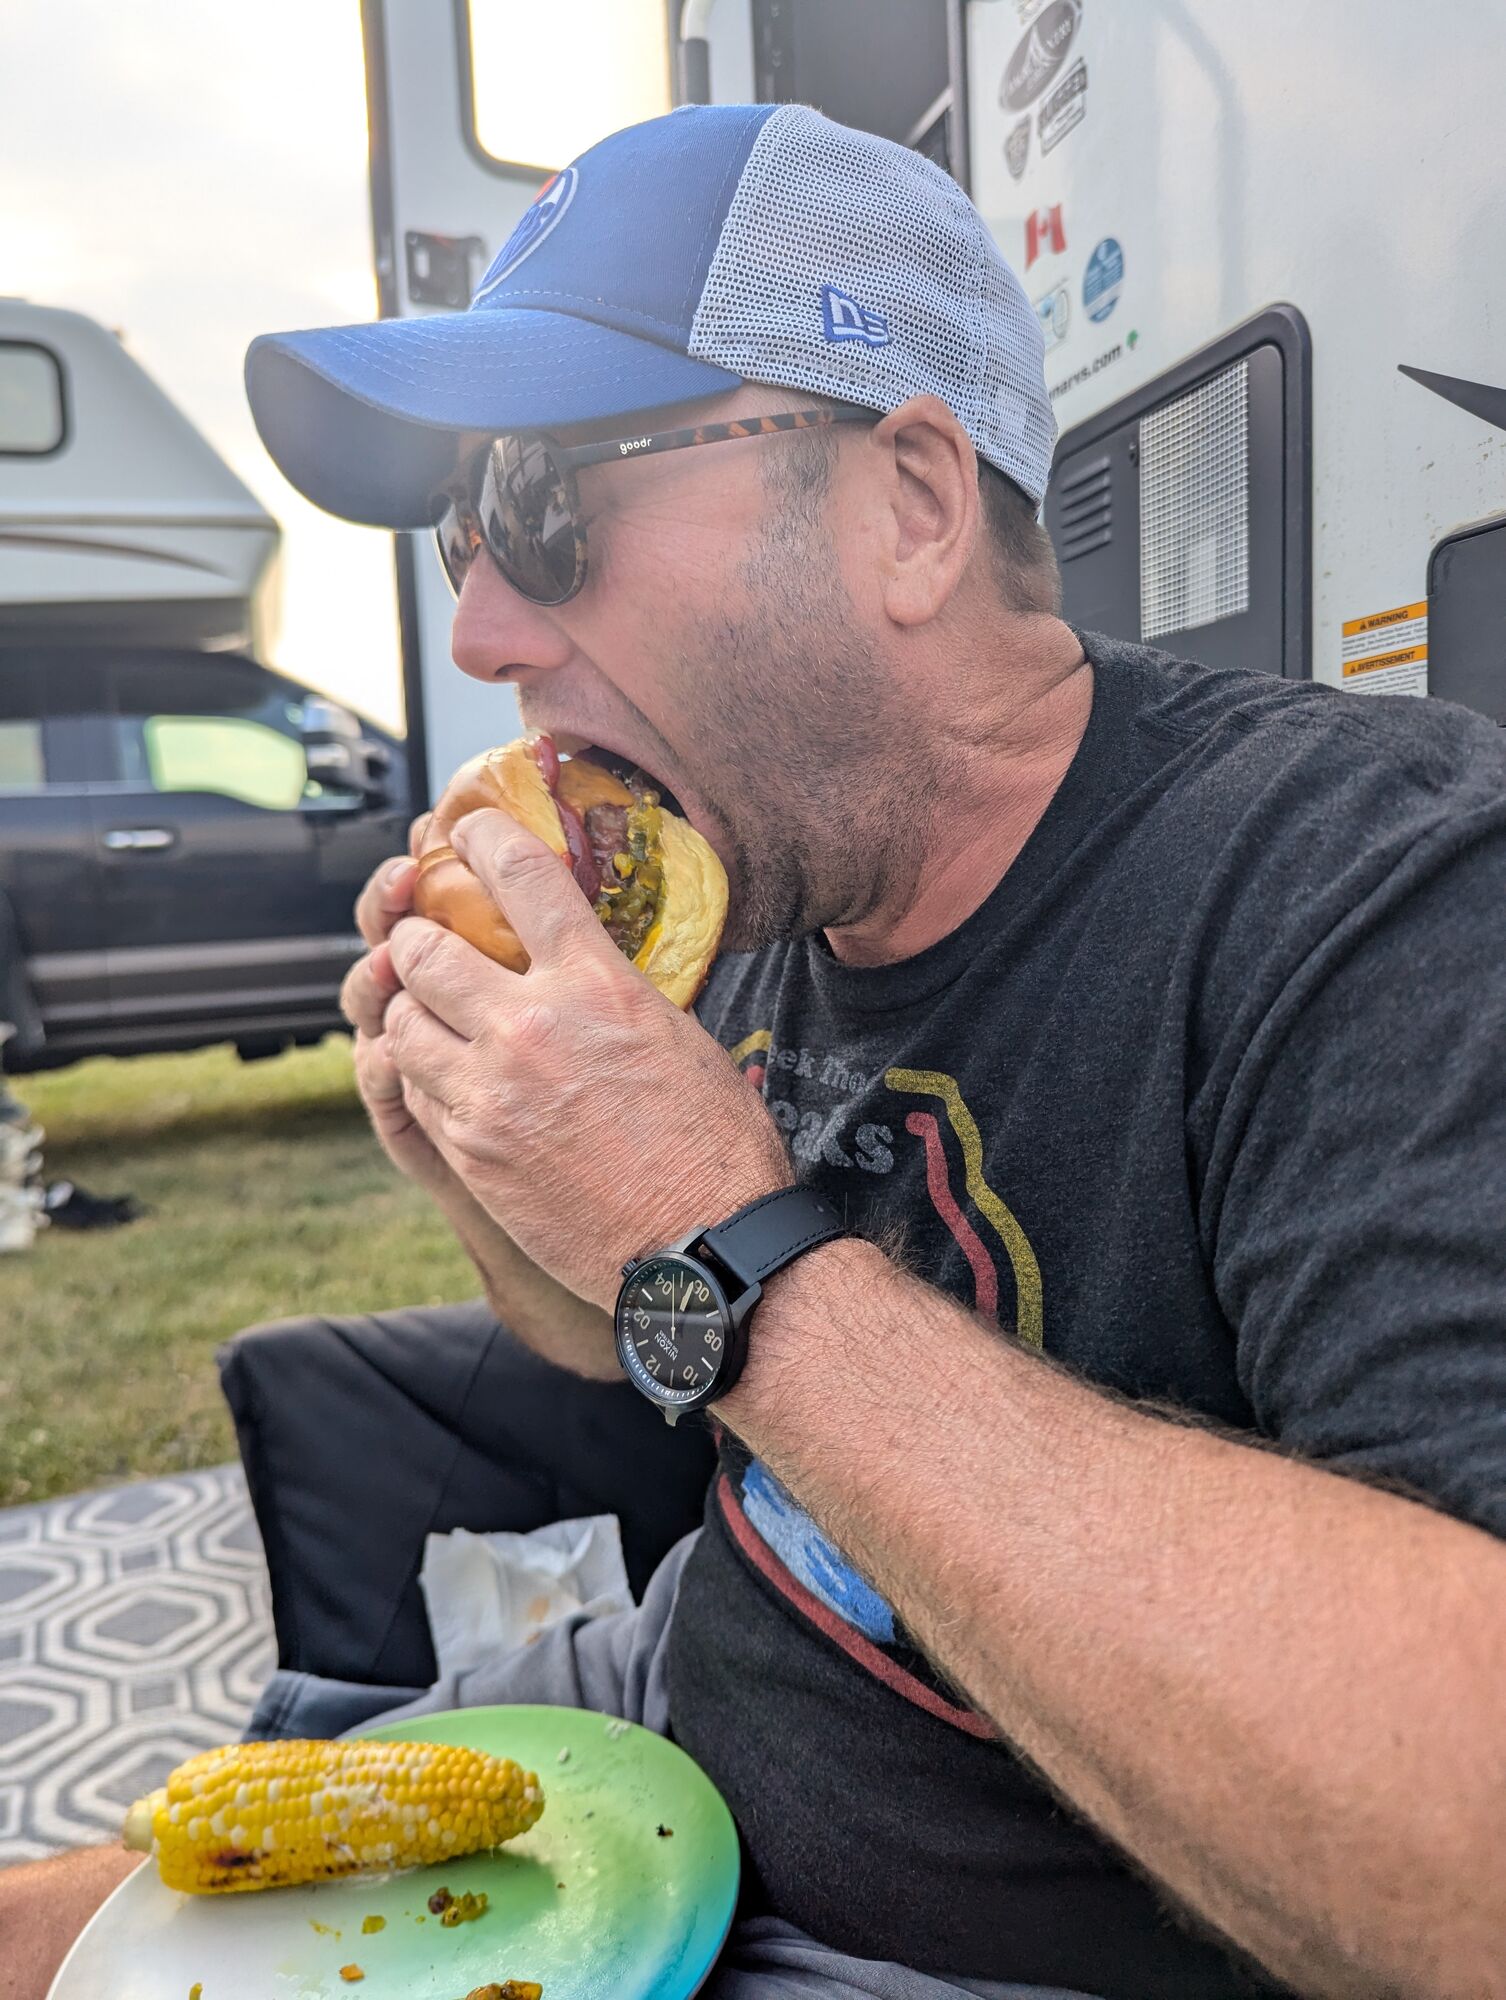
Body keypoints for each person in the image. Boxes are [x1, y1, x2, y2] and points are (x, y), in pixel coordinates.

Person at [8, 102, 1505, 2000]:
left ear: (910, 505)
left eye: (543, 512)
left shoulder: (1369, 882)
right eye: (467, 536)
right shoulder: (742, 889)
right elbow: (629, 1344)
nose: (477, 628)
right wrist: (499, 1182)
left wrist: (732, 1248)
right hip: (677, 1704)